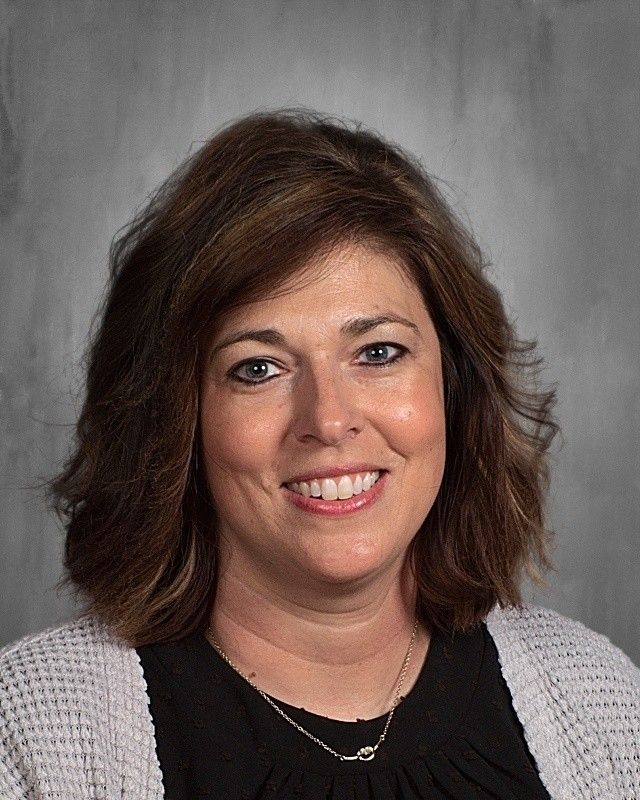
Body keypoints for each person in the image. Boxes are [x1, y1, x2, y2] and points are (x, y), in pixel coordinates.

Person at [0, 108, 638, 800]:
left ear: (456, 388)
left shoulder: (599, 705)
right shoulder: (34, 736)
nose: (329, 421)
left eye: (378, 353)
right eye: (258, 368)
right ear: (175, 418)